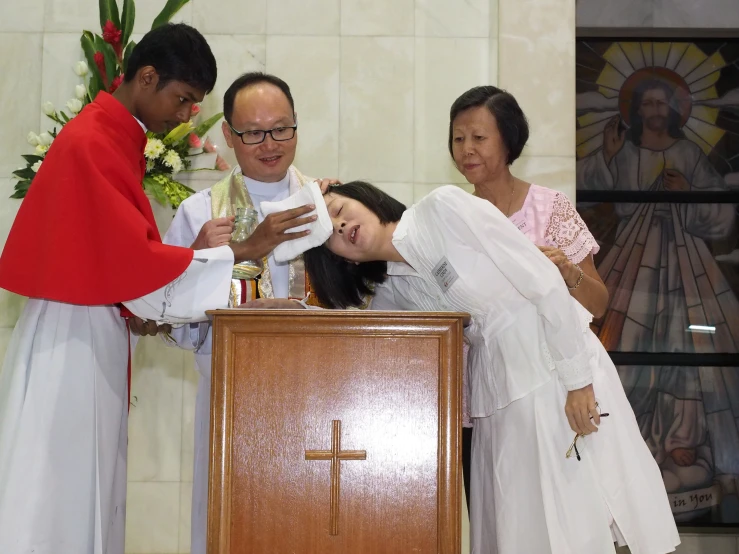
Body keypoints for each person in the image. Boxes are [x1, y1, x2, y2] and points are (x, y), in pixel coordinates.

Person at [0, 27, 315, 554]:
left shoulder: (111, 137)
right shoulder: (94, 140)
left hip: (89, 328)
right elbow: (135, 265)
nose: (187, 114)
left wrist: (190, 257)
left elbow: (130, 256)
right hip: (72, 337)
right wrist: (238, 250)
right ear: (147, 78)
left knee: (84, 488)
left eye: (280, 130)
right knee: (60, 491)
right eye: (184, 98)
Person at [303, 181, 680, 554]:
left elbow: (544, 282)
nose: (340, 226)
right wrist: (291, 311)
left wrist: (578, 383)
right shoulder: (392, 291)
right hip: (496, 393)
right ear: (344, 260)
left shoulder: (443, 206)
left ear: (366, 199)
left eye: (338, 210)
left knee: (579, 512)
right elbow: (361, 344)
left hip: (553, 363)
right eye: (330, 234)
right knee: (525, 525)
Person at [160, 71, 338, 554]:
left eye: (281, 128)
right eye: (252, 132)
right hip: (232, 401)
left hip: (320, 397)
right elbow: (166, 316)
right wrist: (239, 252)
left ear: (297, 128)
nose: (269, 143)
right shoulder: (202, 214)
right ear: (228, 136)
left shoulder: (328, 203)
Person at [577, 77, 739, 521]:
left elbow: (721, 216)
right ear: (636, 110)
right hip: (632, 263)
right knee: (624, 345)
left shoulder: (689, 156)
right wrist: (608, 156)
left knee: (685, 347)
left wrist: (687, 194)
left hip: (686, 264)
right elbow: (589, 197)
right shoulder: (623, 153)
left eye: (660, 103)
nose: (653, 109)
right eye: (645, 102)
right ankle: (632, 438)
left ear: (673, 110)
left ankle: (681, 439)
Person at [447, 85, 610, 502]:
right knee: (501, 509)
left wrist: (567, 271)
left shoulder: (550, 208)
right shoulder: (453, 223)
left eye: (479, 138)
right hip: (487, 393)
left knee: (563, 508)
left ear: (509, 139)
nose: (466, 149)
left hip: (555, 389)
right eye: (458, 138)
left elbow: (599, 303)